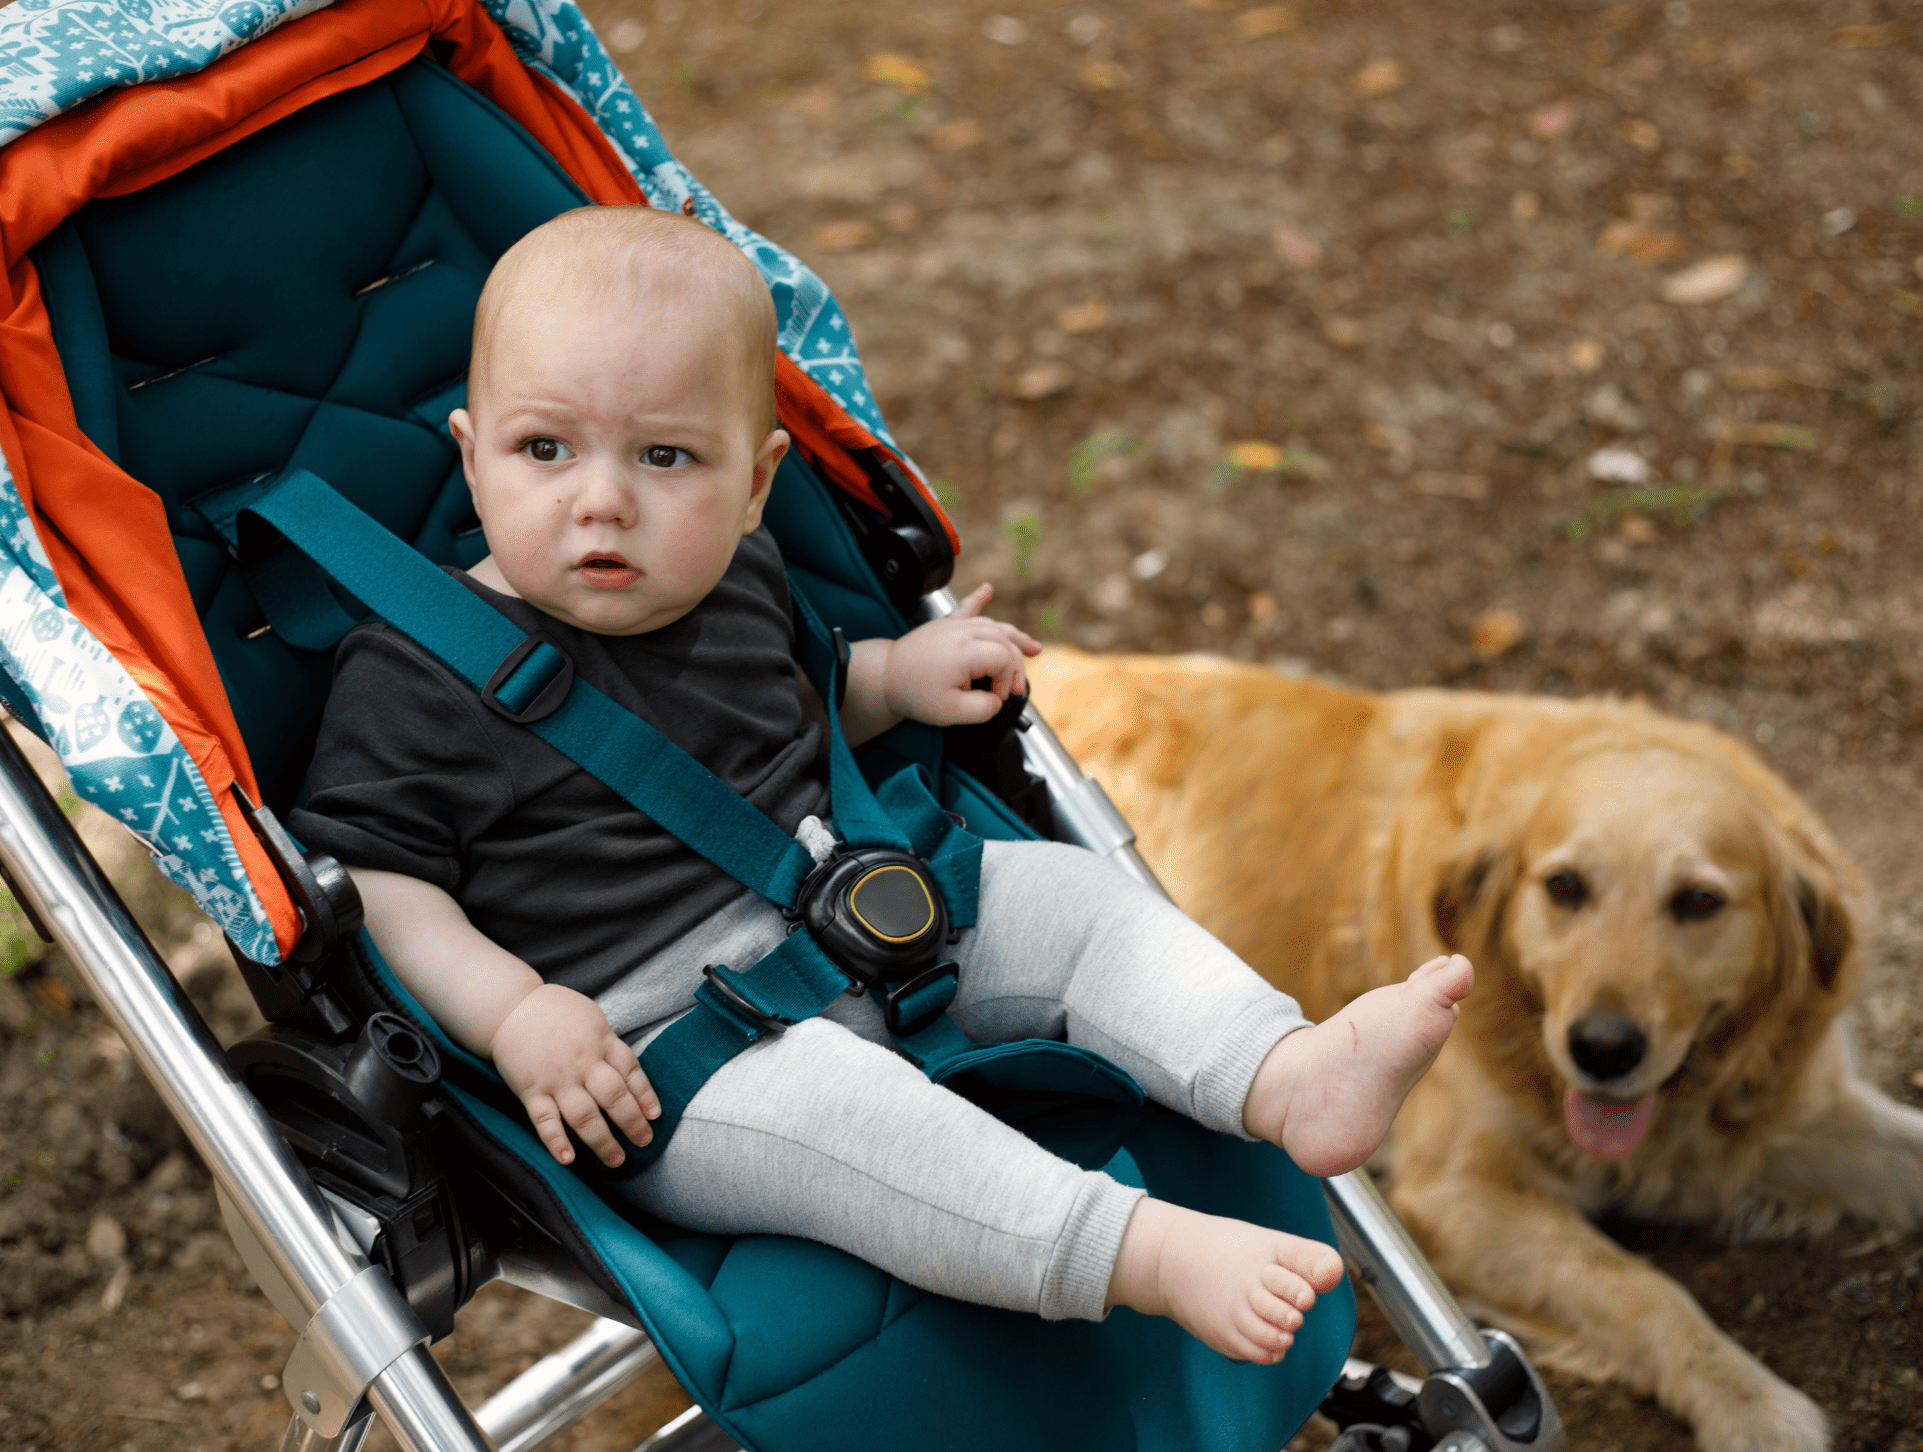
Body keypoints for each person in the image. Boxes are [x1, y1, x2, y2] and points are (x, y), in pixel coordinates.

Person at [290, 204, 1474, 1365]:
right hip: (669, 1052)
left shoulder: (736, 577)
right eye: (543, 450)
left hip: (864, 911)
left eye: (665, 457)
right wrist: (514, 1012)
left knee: (1067, 901)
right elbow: (383, 886)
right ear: (471, 454)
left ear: (756, 486)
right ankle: (1139, 1252)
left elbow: (797, 699)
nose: (599, 499)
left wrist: (896, 678)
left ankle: (1283, 1071)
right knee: (866, 1126)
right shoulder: (413, 676)